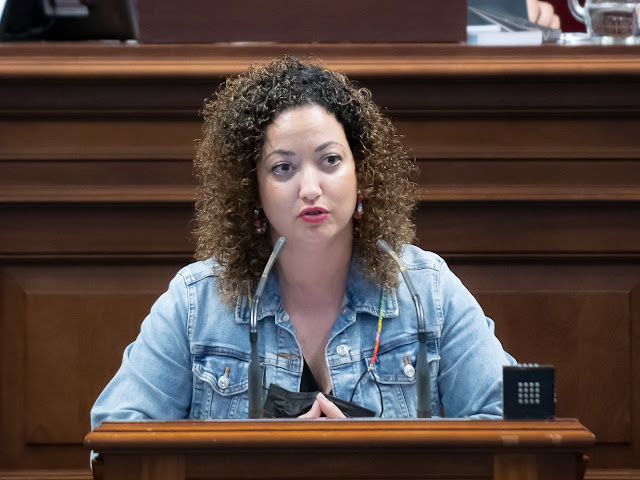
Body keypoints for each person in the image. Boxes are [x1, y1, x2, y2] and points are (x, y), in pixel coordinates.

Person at [91, 57, 514, 425]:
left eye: (330, 160)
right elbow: (115, 434)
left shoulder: (426, 290)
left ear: (361, 174)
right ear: (252, 190)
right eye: (283, 168)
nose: (310, 189)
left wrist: (381, 453)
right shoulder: (196, 302)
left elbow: (511, 421)